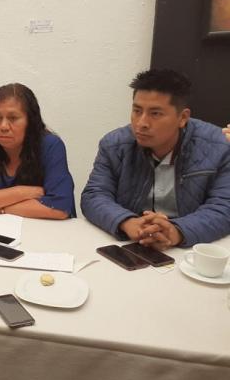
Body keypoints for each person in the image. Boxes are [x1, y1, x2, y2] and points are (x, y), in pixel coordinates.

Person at [81, 68, 230, 249]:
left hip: (190, 248)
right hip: (132, 243)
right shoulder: (114, 145)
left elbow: (224, 207)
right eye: (137, 110)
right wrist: (127, 222)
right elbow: (94, 195)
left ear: (183, 117)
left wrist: (175, 231)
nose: (141, 123)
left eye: (155, 113)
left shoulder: (219, 147)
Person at [0, 83, 75, 219]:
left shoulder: (51, 146)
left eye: (13, 118)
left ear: (30, 121)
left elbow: (59, 208)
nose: (3, 126)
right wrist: (22, 192)